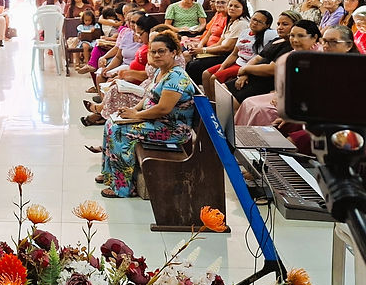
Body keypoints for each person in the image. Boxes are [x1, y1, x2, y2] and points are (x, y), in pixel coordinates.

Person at [99, 33, 198, 198]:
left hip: (171, 129)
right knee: (111, 122)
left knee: (119, 131)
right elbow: (149, 97)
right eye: (153, 52)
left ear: (174, 52)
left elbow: (163, 109)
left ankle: (123, 188)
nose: (157, 55)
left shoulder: (177, 77)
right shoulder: (161, 72)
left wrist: (137, 116)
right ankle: (111, 174)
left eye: (162, 51)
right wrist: (133, 111)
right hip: (156, 122)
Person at [227, 16, 313, 104]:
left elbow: (272, 69)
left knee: (235, 101)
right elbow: (257, 58)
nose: (280, 27)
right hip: (252, 75)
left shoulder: (289, 47)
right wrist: (245, 73)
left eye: (285, 24)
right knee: (223, 90)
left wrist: (245, 69)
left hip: (265, 80)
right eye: (278, 24)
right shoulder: (276, 40)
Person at [203, 10, 277, 93]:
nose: (255, 23)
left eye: (260, 22)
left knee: (214, 78)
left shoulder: (268, 35)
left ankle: (215, 105)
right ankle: (209, 102)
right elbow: (234, 54)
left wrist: (246, 72)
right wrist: (222, 67)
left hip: (247, 66)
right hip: (237, 62)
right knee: (206, 74)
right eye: (254, 19)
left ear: (267, 25)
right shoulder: (244, 32)